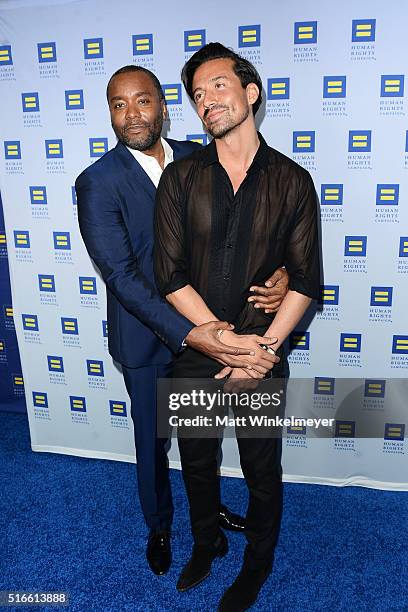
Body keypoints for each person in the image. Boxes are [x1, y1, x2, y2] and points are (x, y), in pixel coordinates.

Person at [75, 65, 289, 578]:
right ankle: (160, 524)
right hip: (151, 340)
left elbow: (245, 234)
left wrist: (281, 271)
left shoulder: (200, 157)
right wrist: (189, 331)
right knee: (153, 442)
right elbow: (122, 277)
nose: (131, 114)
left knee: (203, 437)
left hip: (212, 329)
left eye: (142, 101)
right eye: (118, 104)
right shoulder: (97, 183)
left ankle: (206, 512)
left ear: (163, 105)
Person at [154, 44, 320, 611]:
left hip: (263, 353)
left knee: (259, 462)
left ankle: (259, 560)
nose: (207, 101)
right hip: (200, 346)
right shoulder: (180, 178)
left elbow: (304, 280)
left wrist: (261, 353)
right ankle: (207, 542)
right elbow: (168, 276)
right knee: (196, 457)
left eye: (218, 87)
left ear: (250, 94)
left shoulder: (293, 182)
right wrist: (223, 342)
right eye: (197, 94)